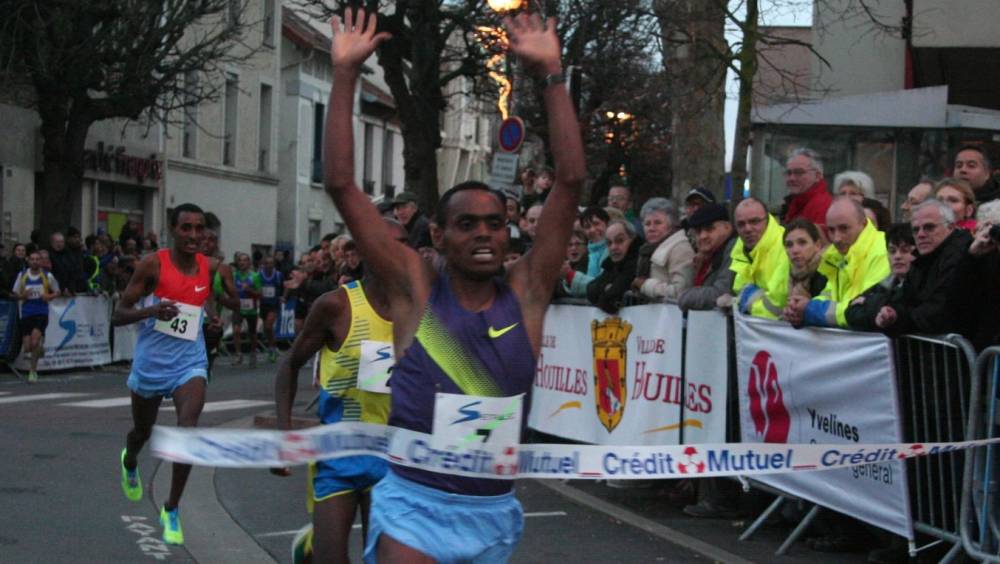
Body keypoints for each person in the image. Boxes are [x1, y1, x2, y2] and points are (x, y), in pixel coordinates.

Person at [323, 9, 585, 561]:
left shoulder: (527, 290)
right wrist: (345, 73)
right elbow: (343, 185)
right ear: (439, 236)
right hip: (414, 505)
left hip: (491, 512)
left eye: (495, 223)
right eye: (467, 225)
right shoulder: (416, 289)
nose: (485, 235)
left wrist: (553, 73)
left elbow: (571, 180)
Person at [274, 219, 407, 563]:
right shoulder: (336, 306)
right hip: (338, 454)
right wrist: (284, 433)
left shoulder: (420, 313)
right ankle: (313, 546)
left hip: (394, 459)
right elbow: (289, 365)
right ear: (361, 253)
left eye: (402, 246)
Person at [112, 203, 224, 546]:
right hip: (151, 364)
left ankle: (172, 507)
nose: (193, 235)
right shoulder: (152, 265)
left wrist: (214, 322)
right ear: (173, 230)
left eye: (199, 228)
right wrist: (152, 310)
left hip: (188, 364)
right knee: (141, 432)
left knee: (187, 432)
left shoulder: (210, 267)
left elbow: (205, 303)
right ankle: (130, 459)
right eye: (186, 228)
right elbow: (119, 314)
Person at [870, 199, 972, 335]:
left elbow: (939, 310)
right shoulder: (921, 262)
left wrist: (899, 319)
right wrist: (891, 313)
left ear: (951, 227)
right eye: (916, 230)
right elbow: (901, 300)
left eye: (929, 227)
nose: (921, 234)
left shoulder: (961, 254)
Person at [785, 197, 890, 328]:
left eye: (844, 228)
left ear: (863, 224)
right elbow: (828, 296)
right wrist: (800, 309)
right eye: (831, 230)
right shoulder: (836, 255)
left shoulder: (882, 252)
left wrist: (811, 309)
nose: (836, 238)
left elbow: (862, 309)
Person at [846, 223, 916, 331]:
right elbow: (851, 312)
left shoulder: (921, 285)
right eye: (892, 251)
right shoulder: (884, 284)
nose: (897, 256)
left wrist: (868, 302)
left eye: (905, 250)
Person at [953, 201, 1000, 351]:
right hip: (984, 352)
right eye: (992, 228)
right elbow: (957, 302)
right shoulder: (979, 258)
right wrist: (971, 256)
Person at [731, 198, 789, 318]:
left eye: (755, 221)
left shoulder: (786, 246)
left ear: (768, 220)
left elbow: (777, 306)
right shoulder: (740, 250)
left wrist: (743, 302)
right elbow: (739, 290)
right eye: (741, 224)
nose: (747, 229)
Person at [631, 198, 694, 302]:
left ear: (672, 225)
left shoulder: (680, 249)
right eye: (647, 224)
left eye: (658, 223)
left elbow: (682, 292)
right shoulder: (646, 250)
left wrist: (646, 285)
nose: (651, 228)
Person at [677, 204, 736, 311]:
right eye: (698, 231)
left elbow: (720, 293)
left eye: (709, 229)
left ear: (727, 227)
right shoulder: (708, 255)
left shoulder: (734, 249)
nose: (703, 236)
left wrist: (684, 297)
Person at [12, 250, 60, 382]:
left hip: (41, 313)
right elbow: (15, 294)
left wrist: (48, 296)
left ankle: (33, 371)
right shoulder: (22, 275)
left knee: (34, 342)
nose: (34, 261)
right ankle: (40, 349)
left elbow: (57, 291)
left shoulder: (47, 276)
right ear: (28, 260)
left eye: (37, 259)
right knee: (27, 347)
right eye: (32, 259)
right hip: (26, 313)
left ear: (41, 261)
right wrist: (23, 296)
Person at [779, 219, 828, 326]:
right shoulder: (791, 274)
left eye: (802, 242)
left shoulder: (827, 272)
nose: (795, 250)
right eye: (789, 245)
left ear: (818, 245)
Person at [587, 219, 640, 313]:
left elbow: (609, 301)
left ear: (632, 239)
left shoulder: (637, 263)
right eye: (609, 243)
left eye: (619, 241)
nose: (613, 247)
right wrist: (606, 288)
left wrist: (608, 289)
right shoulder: (611, 264)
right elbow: (590, 290)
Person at [781, 148, 833, 231]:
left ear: (817, 176)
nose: (792, 178)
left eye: (799, 172)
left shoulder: (822, 207)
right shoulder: (797, 203)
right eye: (788, 173)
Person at [232, 252, 262, 367]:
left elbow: (260, 294)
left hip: (251, 308)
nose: (242, 262)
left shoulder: (255, 276)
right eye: (240, 260)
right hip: (238, 306)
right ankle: (238, 354)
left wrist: (249, 290)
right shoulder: (234, 275)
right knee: (236, 330)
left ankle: (253, 353)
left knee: (252, 333)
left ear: (249, 262)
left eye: (245, 260)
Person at [258, 255, 284, 363]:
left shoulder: (278, 275)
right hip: (263, 304)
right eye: (266, 263)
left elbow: (285, 286)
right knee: (266, 329)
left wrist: (284, 297)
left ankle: (272, 348)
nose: (269, 265)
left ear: (274, 264)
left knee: (269, 326)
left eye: (271, 263)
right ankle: (271, 346)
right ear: (263, 265)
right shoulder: (259, 275)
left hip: (274, 305)